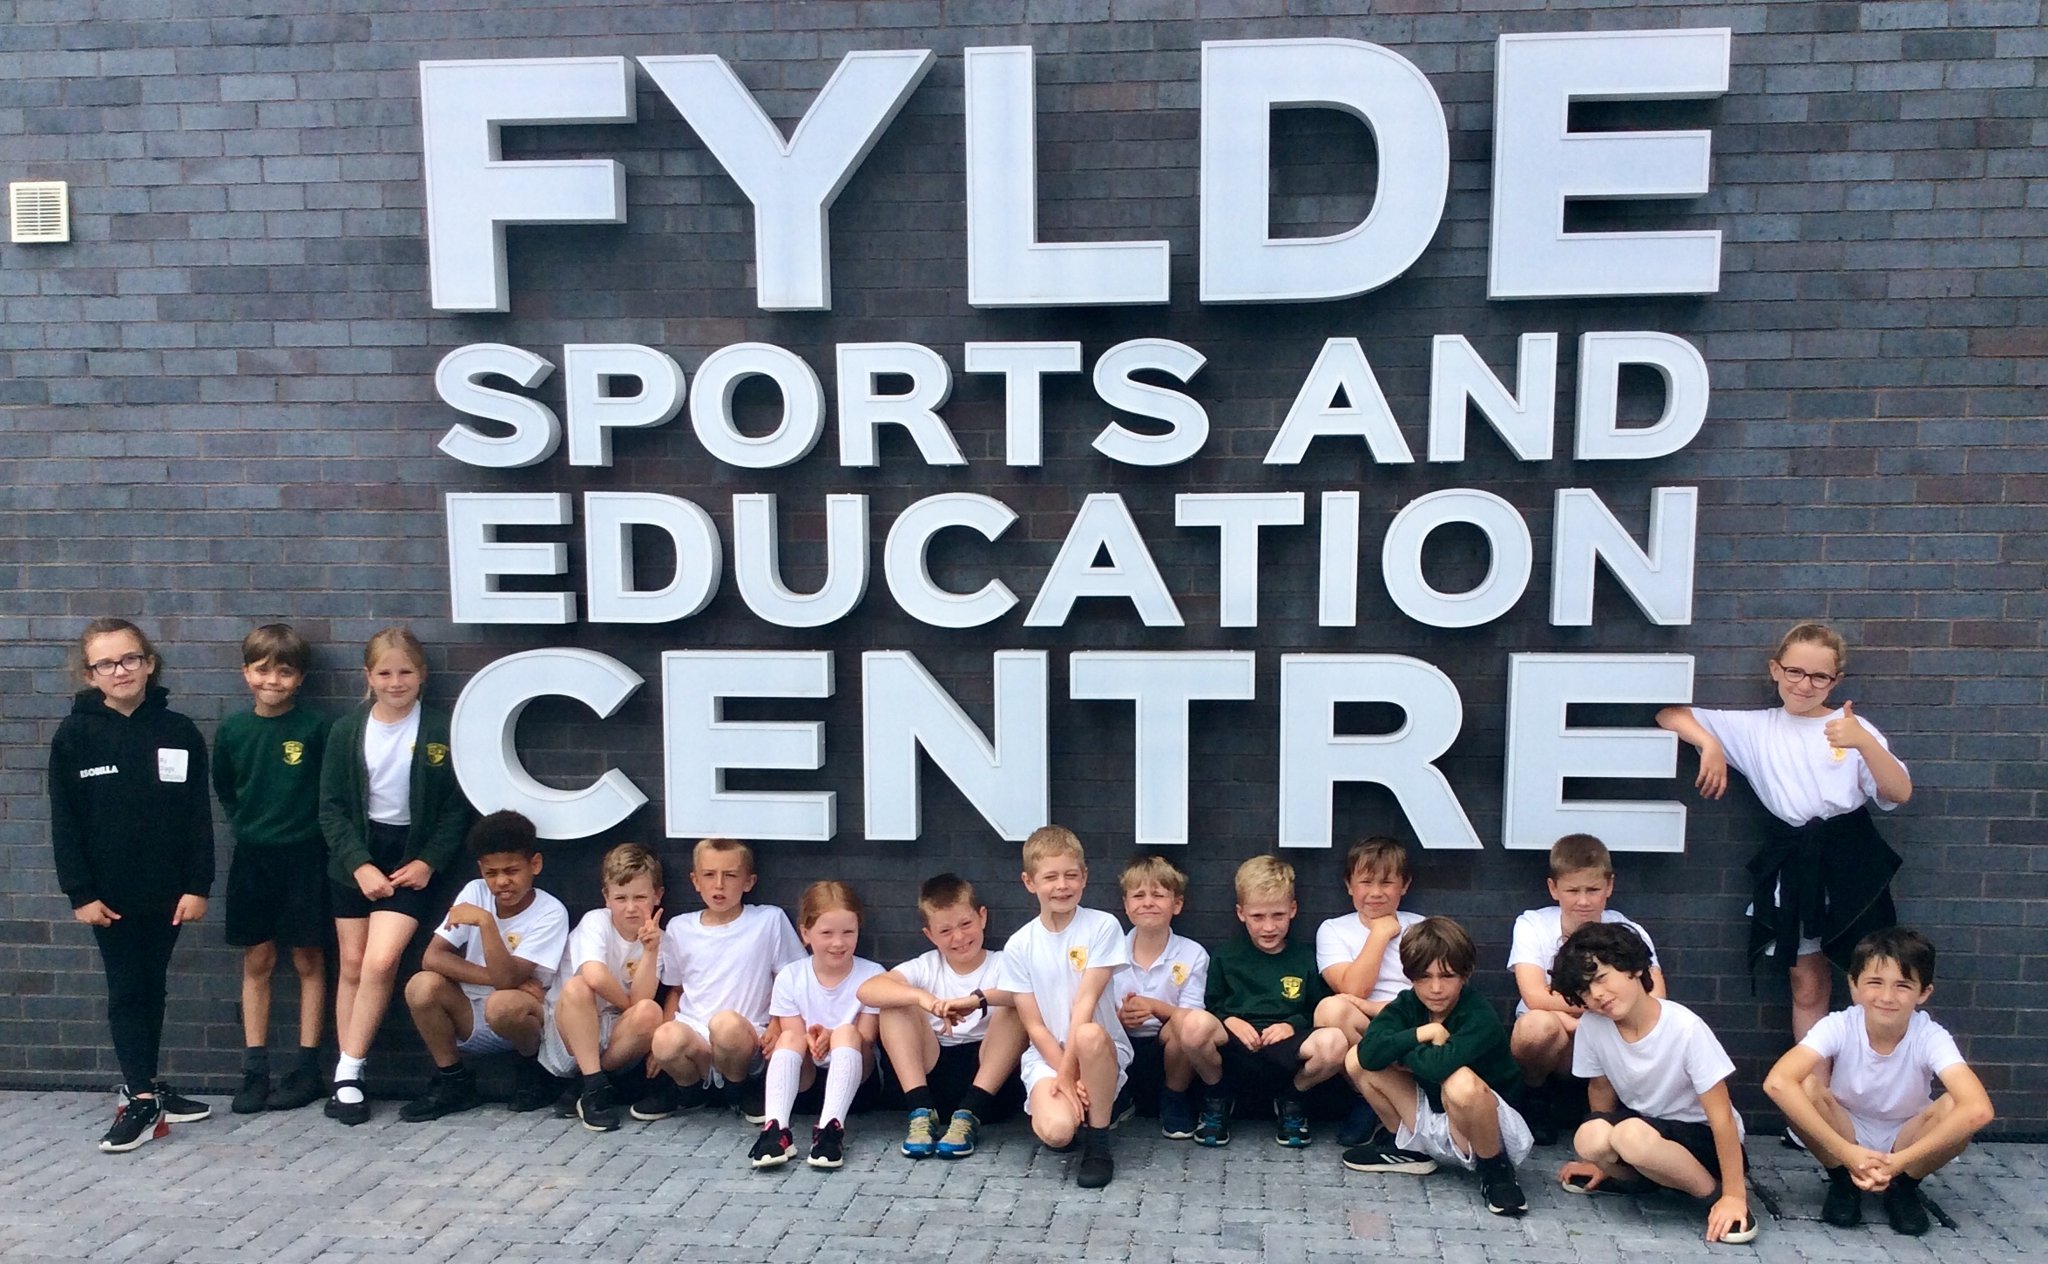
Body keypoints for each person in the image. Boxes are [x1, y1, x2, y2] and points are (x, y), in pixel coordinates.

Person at [1657, 622, 1913, 1046]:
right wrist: (1710, 743)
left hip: (1852, 858)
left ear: (1836, 681)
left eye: (1819, 677)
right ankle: (1812, 1097)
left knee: (1875, 982)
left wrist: (1864, 742)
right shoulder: (1756, 728)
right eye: (1795, 672)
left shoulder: (1852, 727)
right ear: (1775, 670)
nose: (1805, 684)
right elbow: (1669, 714)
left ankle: (1867, 1093)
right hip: (1794, 862)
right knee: (1807, 985)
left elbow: (1899, 792)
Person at [49, 618, 215, 1152]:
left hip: (167, 893)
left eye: (129, 659)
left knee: (153, 985)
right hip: (109, 899)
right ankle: (140, 1099)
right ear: (89, 672)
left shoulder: (178, 730)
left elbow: (197, 816)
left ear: (149, 662)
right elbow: (65, 822)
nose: (120, 671)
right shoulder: (74, 736)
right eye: (106, 663)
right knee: (127, 988)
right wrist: (80, 894)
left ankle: (145, 1082)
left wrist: (197, 885)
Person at [319, 626, 472, 1125]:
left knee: (382, 962)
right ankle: (348, 1080)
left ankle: (349, 1067)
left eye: (405, 671)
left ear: (422, 675)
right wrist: (359, 865)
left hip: (410, 854)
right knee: (352, 963)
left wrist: (429, 861)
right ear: (368, 677)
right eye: (384, 673)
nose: (396, 681)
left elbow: (456, 806)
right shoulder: (347, 731)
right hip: (357, 854)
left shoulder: (441, 729)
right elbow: (332, 808)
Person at [1762, 927, 1994, 1236]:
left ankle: (1904, 1188)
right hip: (1847, 1131)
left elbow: (1980, 1109)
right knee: (1804, 1088)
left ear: (1923, 993)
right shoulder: (1841, 1025)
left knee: (1957, 1107)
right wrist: (1848, 1154)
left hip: (1906, 1137)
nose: (1887, 997)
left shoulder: (1930, 1036)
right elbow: (1776, 1082)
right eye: (1875, 982)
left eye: (1902, 985)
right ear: (1854, 986)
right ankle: (1843, 1183)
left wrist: (1898, 1162)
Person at [1551, 922, 1758, 1245]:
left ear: (1633, 968)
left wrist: (1735, 1194)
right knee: (1590, 1137)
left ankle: (1712, 1198)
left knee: (1631, 1135)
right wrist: (1601, 1164)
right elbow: (1601, 1090)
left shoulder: (1684, 1027)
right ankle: (1638, 1181)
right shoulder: (1594, 1026)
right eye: (1585, 991)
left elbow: (1722, 1118)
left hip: (1702, 1142)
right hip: (1648, 1132)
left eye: (1602, 978)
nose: (1597, 995)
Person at [211, 623, 330, 1114]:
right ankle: (255, 1069)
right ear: (246, 673)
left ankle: (306, 1067)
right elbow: (225, 787)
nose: (273, 681)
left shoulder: (316, 730)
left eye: (284, 672)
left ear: (300, 679)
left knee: (308, 960)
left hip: (305, 858)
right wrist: (248, 825)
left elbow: (330, 793)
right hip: (253, 859)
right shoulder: (234, 730)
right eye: (262, 670)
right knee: (258, 961)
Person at [1340, 916, 1531, 1217]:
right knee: (1355, 1059)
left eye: (1447, 976)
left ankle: (1496, 1171)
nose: (1436, 988)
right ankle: (1410, 1151)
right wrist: (1421, 1034)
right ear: (1411, 977)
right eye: (1424, 977)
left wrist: (1402, 1054)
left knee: (1461, 1081)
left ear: (1466, 975)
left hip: (1493, 1128)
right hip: (1436, 1113)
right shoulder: (1408, 1004)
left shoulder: (1478, 1013)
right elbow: (1368, 1054)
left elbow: (1438, 1067)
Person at [398, 810, 570, 1121]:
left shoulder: (550, 911)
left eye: (512, 870)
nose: (502, 882)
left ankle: (533, 1073)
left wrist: (486, 921)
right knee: (421, 985)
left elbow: (507, 981)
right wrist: (500, 981)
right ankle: (454, 1082)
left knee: (503, 1003)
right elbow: (433, 957)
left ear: (535, 865)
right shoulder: (475, 892)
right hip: (470, 1010)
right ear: (481, 870)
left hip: (523, 1019)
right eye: (491, 873)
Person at [985, 825, 1131, 1188]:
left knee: (1089, 1033)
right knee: (1057, 1132)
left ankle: (1098, 1143)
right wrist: (1062, 1072)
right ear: (1029, 881)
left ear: (1085, 877)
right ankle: (1081, 1114)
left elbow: (1086, 1001)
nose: (1061, 886)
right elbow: (1033, 1026)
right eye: (1050, 877)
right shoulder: (1019, 945)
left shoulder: (1103, 926)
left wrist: (1071, 1074)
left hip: (1098, 1049)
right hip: (1048, 1054)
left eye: (1071, 875)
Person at [1507, 833, 1665, 1145]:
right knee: (1536, 1026)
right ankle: (1536, 1097)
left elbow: (1656, 996)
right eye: (1572, 890)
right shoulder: (1532, 924)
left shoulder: (1629, 931)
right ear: (1554, 888)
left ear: (1609, 886)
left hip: (1610, 1036)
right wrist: (1598, 1008)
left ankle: (1603, 1112)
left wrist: (1593, 1021)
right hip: (1560, 1036)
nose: (1583, 900)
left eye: (1592, 890)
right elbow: (1534, 995)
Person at [857, 873, 1026, 1160]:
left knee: (1019, 1005)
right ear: (929, 935)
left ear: (982, 917)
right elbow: (867, 990)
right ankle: (920, 1114)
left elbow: (1032, 994)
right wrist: (925, 1000)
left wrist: (977, 1000)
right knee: (895, 1004)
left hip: (988, 1086)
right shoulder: (926, 966)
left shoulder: (1002, 963)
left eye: (966, 924)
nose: (959, 937)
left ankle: (968, 1116)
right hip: (933, 1076)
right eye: (945, 931)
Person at [1180, 855, 1346, 1149]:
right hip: (1234, 1043)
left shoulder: (1304, 957)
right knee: (1192, 1025)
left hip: (1285, 1045)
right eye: (1258, 917)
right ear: (1241, 913)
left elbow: (1315, 1010)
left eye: (1278, 915)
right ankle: (1217, 1098)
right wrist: (1228, 1021)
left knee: (1334, 1042)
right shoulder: (1225, 955)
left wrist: (1291, 1025)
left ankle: (1293, 1101)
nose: (1268, 927)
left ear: (1293, 910)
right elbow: (1211, 1003)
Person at [640, 838, 805, 1124]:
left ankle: (738, 1089)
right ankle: (689, 1091)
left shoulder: (768, 920)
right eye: (709, 875)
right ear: (695, 881)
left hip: (745, 1034)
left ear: (749, 882)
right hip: (695, 1033)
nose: (719, 885)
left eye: (730, 876)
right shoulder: (680, 927)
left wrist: (778, 1025)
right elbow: (676, 989)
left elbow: (790, 980)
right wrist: (662, 1036)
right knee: (665, 1039)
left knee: (725, 1024)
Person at [748, 881, 884, 1170]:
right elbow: (794, 1034)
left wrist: (833, 1036)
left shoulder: (873, 974)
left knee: (848, 1032)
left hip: (858, 1082)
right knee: (788, 1039)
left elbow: (868, 1038)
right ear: (805, 933)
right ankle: (776, 1129)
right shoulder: (791, 976)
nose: (839, 943)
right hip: (805, 1082)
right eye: (827, 933)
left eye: (849, 932)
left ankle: (831, 1131)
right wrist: (812, 1042)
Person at [540, 843, 670, 1132]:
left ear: (657, 896)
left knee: (650, 1011)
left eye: (640, 897)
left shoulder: (660, 940)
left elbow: (641, 1001)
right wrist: (628, 1006)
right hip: (570, 1033)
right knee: (577, 987)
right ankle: (595, 1087)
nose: (631, 907)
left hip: (614, 1039)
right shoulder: (595, 922)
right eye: (621, 898)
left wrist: (649, 952)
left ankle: (590, 1086)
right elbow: (595, 977)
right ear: (606, 898)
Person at [1311, 836, 1427, 1144]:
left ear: (1405, 885)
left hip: (1410, 1024)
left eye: (1387, 882)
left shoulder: (1421, 928)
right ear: (1349, 885)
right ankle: (1370, 1096)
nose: (1376, 893)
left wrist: (1384, 1009)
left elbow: (1436, 994)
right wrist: (1380, 933)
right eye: (1365, 882)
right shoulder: (1334, 929)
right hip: (1363, 1026)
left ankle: (1380, 1102)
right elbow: (1353, 989)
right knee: (1331, 1009)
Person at [1106, 854, 1209, 1140]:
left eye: (1158, 895)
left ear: (1177, 904)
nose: (1148, 902)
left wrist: (1153, 1007)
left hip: (1168, 1049)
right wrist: (1119, 1019)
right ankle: (1118, 1097)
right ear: (1126, 905)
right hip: (1121, 1043)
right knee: (1095, 1029)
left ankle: (1173, 1098)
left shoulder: (1193, 954)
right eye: (1138, 895)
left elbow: (1192, 1016)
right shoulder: (1108, 953)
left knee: (1183, 1028)